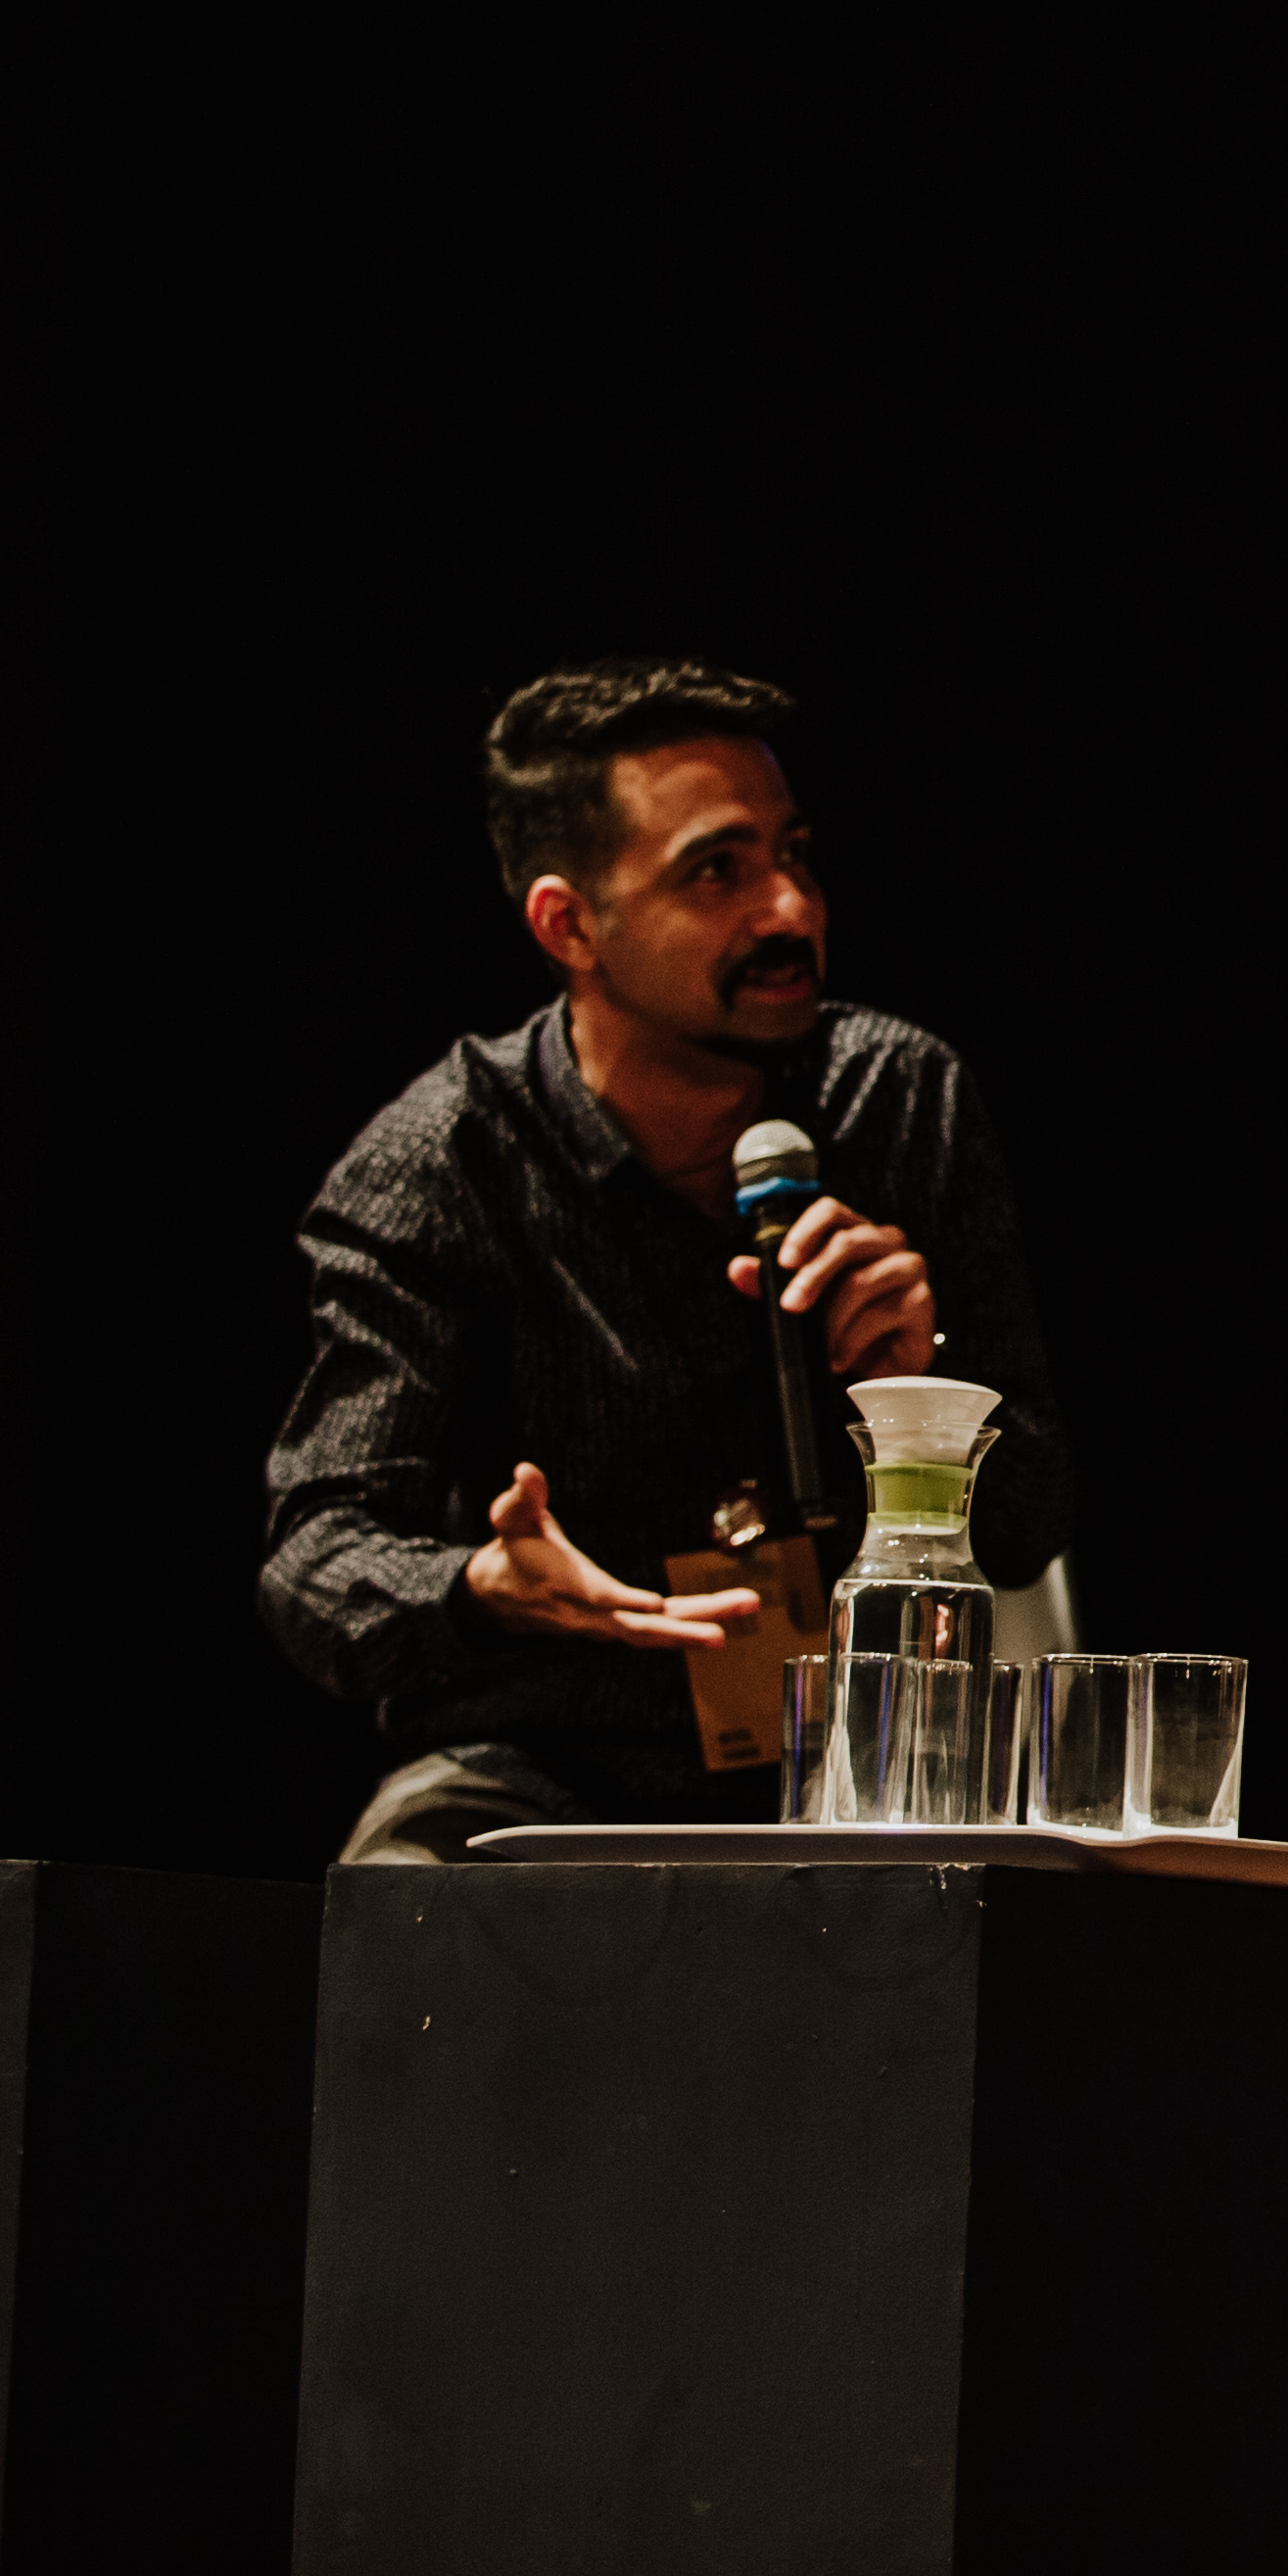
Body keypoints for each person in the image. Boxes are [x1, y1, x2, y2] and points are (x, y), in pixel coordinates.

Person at [263, 661, 1073, 1862]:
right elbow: (315, 1560)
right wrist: (482, 1587)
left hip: (870, 1761)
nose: (791, 909)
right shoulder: (446, 1163)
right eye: (717, 872)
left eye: (794, 855)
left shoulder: (899, 1099)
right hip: (543, 1764)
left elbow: (1029, 1522)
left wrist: (921, 1386)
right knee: (404, 1892)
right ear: (570, 925)